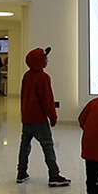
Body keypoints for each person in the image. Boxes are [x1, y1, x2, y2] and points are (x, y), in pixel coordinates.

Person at [16, 47, 71, 186]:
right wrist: (53, 117)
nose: (47, 60)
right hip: (38, 118)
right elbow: (47, 100)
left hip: (27, 116)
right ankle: (54, 175)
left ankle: (21, 172)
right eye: (45, 58)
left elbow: (23, 96)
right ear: (39, 61)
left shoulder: (27, 76)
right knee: (47, 145)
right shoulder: (43, 77)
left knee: (25, 145)